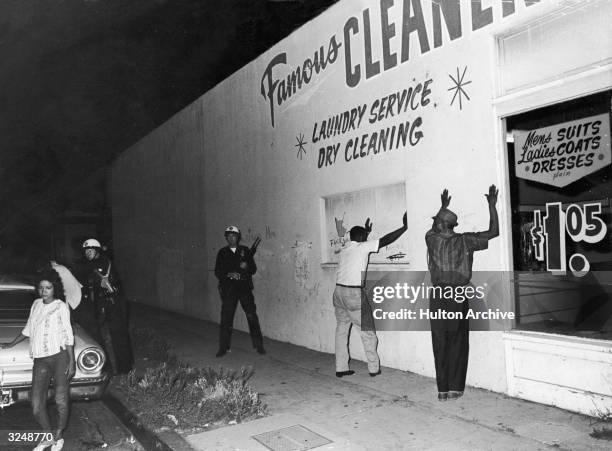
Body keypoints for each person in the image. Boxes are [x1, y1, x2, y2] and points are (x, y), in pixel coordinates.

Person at [425, 186, 499, 401]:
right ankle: (456, 387)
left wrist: (443, 207)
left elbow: (432, 227)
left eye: (437, 220)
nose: (435, 223)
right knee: (458, 339)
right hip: (457, 295)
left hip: (439, 295)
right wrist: (491, 206)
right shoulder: (466, 240)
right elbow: (494, 232)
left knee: (440, 340)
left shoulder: (432, 239)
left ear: (441, 224)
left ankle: (443, 389)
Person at [1, 269, 74, 451]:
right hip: (40, 359)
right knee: (36, 404)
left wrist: (72, 361)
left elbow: (68, 335)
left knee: (60, 399)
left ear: (54, 288)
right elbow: (28, 329)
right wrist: (11, 344)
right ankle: (48, 436)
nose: (44, 291)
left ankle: (58, 436)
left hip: (59, 357)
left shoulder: (61, 306)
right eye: (41, 287)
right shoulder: (35, 304)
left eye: (48, 287)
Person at [334, 212, 407, 378]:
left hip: (338, 292)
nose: (366, 240)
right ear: (360, 238)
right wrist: (404, 227)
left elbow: (358, 237)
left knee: (341, 331)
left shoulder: (345, 248)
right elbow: (386, 240)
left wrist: (364, 232)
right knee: (368, 332)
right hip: (353, 293)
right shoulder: (362, 247)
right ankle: (374, 369)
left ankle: (341, 367)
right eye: (364, 237)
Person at [74, 238, 133, 375]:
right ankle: (114, 367)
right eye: (86, 251)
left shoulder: (103, 262)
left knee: (118, 336)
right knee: (100, 334)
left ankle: (125, 369)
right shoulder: (93, 264)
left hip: (115, 303)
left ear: (97, 251)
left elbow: (86, 271)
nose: (88, 253)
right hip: (104, 303)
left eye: (91, 250)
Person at [214, 226, 265, 356]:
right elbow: (218, 272)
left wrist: (246, 266)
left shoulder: (245, 251)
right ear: (226, 237)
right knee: (226, 318)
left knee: (252, 316)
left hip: (244, 289)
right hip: (229, 290)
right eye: (229, 236)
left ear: (238, 237)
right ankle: (223, 348)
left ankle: (258, 346)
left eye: (234, 235)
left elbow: (253, 269)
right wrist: (230, 274)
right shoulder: (222, 252)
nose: (231, 238)